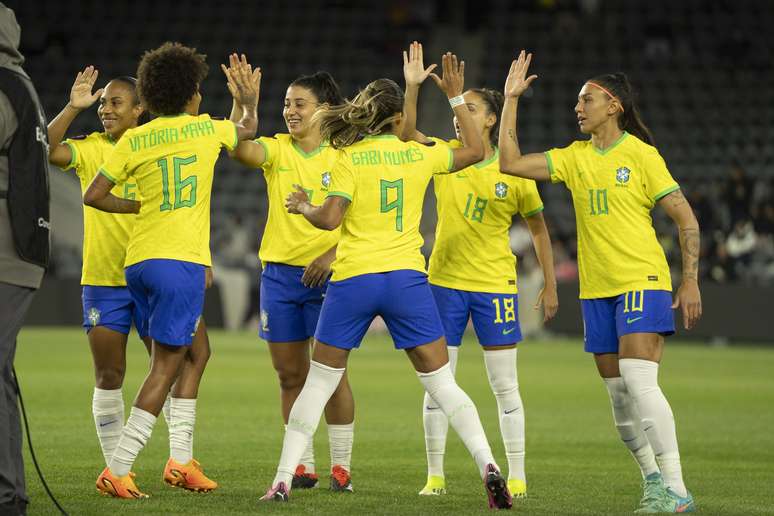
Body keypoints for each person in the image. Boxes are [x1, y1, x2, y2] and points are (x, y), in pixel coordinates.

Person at [263, 52, 513, 510]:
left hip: (355, 277)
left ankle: (282, 479)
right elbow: (477, 151)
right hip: (406, 280)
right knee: (442, 384)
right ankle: (488, 464)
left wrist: (304, 208)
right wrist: (453, 94)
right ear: (398, 118)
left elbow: (331, 217)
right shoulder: (421, 155)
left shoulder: (347, 158)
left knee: (317, 383)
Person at [497, 51, 702, 513]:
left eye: (586, 99)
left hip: (641, 279)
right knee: (618, 395)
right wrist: (511, 99)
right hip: (596, 290)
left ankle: (677, 488)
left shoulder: (642, 155)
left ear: (614, 106)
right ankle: (652, 481)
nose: (578, 107)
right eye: (577, 100)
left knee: (637, 378)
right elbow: (508, 162)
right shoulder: (575, 158)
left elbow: (685, 218)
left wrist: (689, 280)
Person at [82, 43, 260, 499]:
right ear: (191, 95)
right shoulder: (204, 130)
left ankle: (181, 462)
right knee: (166, 365)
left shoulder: (134, 140)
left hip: (139, 261)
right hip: (177, 261)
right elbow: (245, 132)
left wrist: (137, 206)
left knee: (197, 354)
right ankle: (117, 470)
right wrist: (246, 100)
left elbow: (95, 194)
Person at [46, 68, 218, 492]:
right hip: (105, 278)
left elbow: (189, 203)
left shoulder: (159, 142)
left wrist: (201, 259)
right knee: (111, 374)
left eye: (114, 102)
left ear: (140, 109)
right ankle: (118, 467)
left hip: (156, 270)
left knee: (188, 358)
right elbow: (46, 149)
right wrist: (73, 105)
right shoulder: (90, 150)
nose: (105, 110)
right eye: (102, 103)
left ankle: (179, 460)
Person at [400, 41, 558, 499]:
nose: (458, 113)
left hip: (494, 285)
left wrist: (549, 283)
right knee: (437, 384)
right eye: (456, 107)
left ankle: (519, 474)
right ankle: (435, 476)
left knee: (505, 385)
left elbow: (540, 230)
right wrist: (413, 88)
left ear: (491, 119)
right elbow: (407, 132)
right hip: (444, 283)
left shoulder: (515, 170)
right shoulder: (446, 155)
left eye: (470, 107)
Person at [227, 62, 355, 491]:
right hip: (279, 277)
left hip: (331, 278)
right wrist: (243, 105)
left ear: (326, 108)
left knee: (332, 375)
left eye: (300, 103)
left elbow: (363, 220)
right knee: (289, 376)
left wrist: (333, 254)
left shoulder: (344, 155)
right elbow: (236, 148)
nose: (291, 111)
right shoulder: (278, 149)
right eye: (286, 104)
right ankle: (304, 465)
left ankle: (342, 466)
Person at [0, 6, 48, 515]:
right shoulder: (19, 83)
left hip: (6, 250)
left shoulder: (4, 84)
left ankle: (8, 494)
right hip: (16, 248)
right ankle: (9, 492)